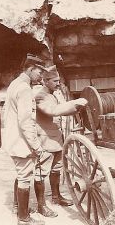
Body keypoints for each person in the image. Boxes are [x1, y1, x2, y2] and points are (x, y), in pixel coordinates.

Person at [34, 65, 88, 216]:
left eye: (58, 80)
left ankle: (56, 197)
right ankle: (41, 205)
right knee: (41, 173)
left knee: (56, 169)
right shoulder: (40, 96)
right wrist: (75, 104)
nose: (58, 83)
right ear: (45, 81)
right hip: (45, 140)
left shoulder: (54, 93)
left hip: (57, 138)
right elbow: (53, 111)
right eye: (55, 81)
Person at [3, 53, 48, 225]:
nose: (41, 76)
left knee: (21, 174)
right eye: (39, 72)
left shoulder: (15, 84)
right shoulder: (24, 89)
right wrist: (37, 146)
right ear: (30, 69)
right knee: (24, 177)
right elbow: (25, 122)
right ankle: (23, 218)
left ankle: (17, 208)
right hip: (22, 142)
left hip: (14, 140)